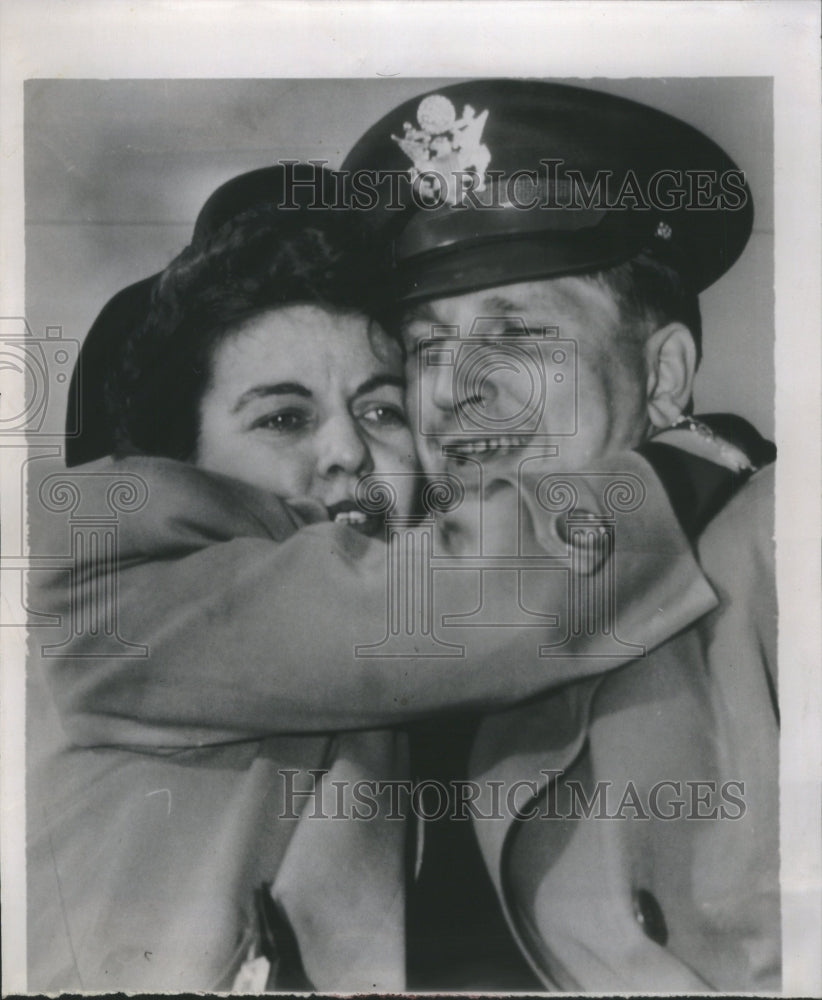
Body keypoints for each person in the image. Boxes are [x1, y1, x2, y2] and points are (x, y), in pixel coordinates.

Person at [26, 164, 713, 992]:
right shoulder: (109, 584)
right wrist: (681, 473)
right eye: (284, 418)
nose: (349, 451)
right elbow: (463, 597)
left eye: (383, 408)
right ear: (183, 459)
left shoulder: (437, 673)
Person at [341, 78, 779, 990]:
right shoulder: (389, 614)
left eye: (520, 336)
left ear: (663, 378)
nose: (461, 391)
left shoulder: (786, 549)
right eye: (428, 349)